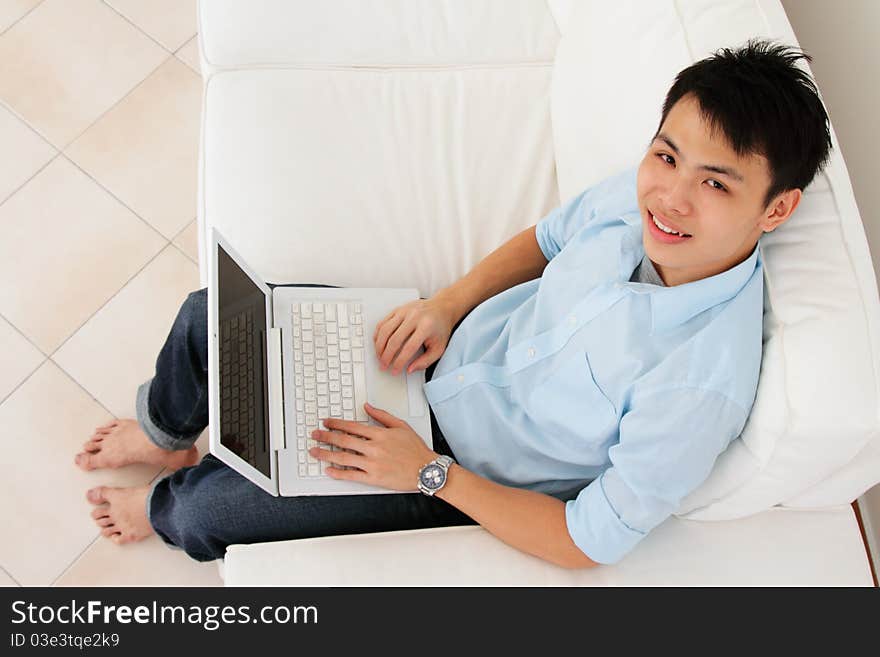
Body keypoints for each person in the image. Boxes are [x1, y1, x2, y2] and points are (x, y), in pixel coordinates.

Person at [76, 38, 832, 567]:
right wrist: (445, 305)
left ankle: (167, 503)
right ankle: (166, 429)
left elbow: (586, 539)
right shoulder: (636, 198)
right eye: (667, 155)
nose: (670, 195)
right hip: (434, 350)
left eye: (716, 182)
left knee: (213, 511)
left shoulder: (702, 379)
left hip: (448, 471)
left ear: (776, 208)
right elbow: (545, 238)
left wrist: (429, 473)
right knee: (213, 315)